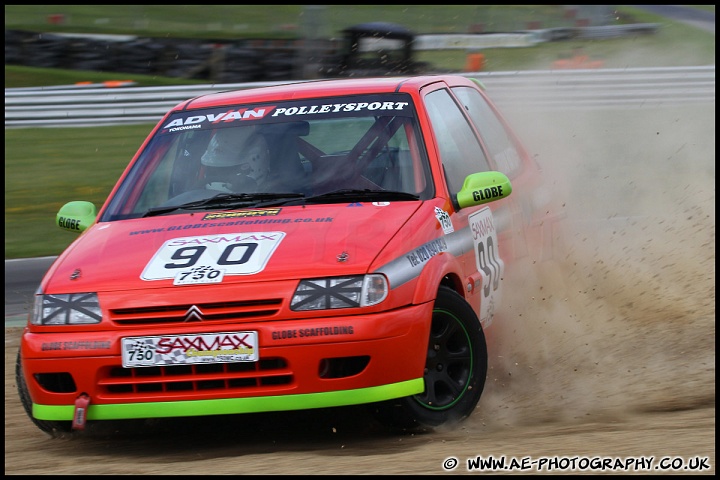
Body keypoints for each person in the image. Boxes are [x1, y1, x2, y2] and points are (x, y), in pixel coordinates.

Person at [200, 125, 271, 193]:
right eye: (212, 169)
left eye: (223, 170)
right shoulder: (192, 197)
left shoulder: (276, 192)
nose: (215, 176)